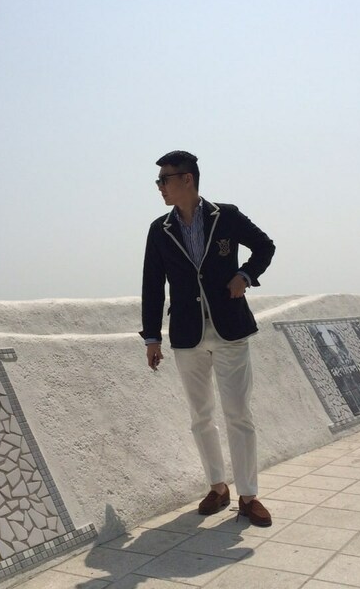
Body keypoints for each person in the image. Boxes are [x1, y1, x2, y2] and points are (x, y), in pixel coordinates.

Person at [140, 150, 275, 527]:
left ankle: (248, 496)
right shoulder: (160, 229)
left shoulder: (226, 216)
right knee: (200, 415)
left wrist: (245, 276)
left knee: (238, 414)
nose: (160, 187)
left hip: (230, 328)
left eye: (164, 180)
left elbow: (265, 246)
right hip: (187, 334)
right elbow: (152, 284)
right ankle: (218, 487)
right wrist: (151, 338)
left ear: (187, 179)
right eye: (158, 181)